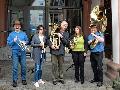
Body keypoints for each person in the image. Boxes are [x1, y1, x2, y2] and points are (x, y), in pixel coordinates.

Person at [7, 20, 28, 87]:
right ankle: (14, 80)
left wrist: (25, 42)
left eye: (18, 25)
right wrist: (13, 41)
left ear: (20, 26)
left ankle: (23, 79)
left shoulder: (23, 34)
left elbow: (27, 41)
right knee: (15, 67)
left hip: (22, 52)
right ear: (14, 26)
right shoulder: (11, 34)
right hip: (15, 52)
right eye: (15, 25)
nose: (17, 26)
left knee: (24, 67)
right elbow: (9, 44)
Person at [49, 21, 69, 85]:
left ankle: (61, 78)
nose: (65, 26)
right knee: (54, 65)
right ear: (61, 25)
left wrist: (61, 37)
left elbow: (66, 43)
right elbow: (48, 40)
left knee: (61, 65)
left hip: (61, 51)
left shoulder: (66, 34)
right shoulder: (54, 31)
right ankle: (54, 78)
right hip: (54, 51)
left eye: (66, 25)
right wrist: (51, 45)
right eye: (64, 25)